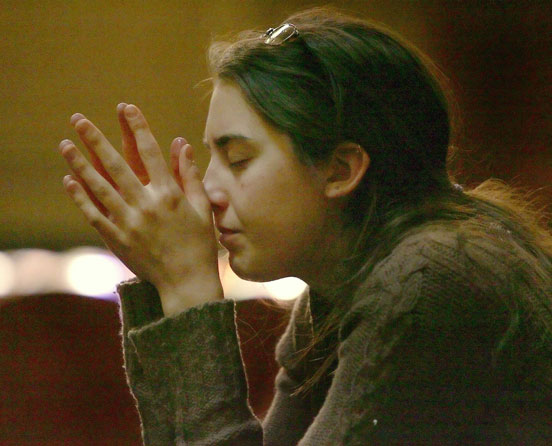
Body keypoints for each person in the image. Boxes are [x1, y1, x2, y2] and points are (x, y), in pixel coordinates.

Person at [57, 7, 552, 445]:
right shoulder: (343, 278)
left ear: (340, 170)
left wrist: (189, 292)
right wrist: (167, 287)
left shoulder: (428, 282)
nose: (208, 192)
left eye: (239, 159)